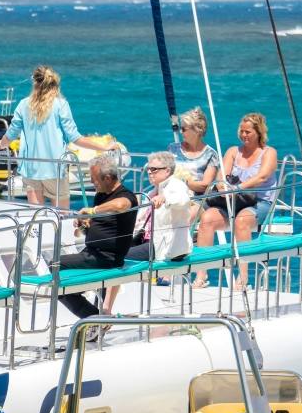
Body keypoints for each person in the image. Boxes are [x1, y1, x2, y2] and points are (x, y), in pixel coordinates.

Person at [0, 65, 106, 207]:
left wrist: (2, 144)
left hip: (31, 167)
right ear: (55, 85)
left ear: (35, 83)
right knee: (62, 215)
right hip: (55, 168)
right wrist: (104, 147)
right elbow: (75, 137)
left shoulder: (23, 105)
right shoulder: (61, 105)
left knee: (36, 215)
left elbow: (11, 134)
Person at [195, 111, 280, 294]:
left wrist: (239, 187)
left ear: (258, 132)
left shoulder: (269, 152)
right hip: (232, 201)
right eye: (241, 131)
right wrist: (223, 187)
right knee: (207, 219)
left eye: (248, 132)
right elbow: (221, 175)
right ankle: (201, 274)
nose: (244, 135)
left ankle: (243, 277)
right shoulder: (234, 151)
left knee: (241, 221)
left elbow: (262, 176)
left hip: (258, 201)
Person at [103, 151, 197, 315]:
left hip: (165, 245)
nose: (150, 172)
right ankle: (102, 308)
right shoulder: (154, 191)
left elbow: (183, 199)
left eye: (154, 169)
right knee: (108, 251)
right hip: (148, 240)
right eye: (148, 169)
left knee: (117, 259)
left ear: (167, 170)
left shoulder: (175, 186)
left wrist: (166, 199)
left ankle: (105, 311)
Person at [50, 155, 138, 321]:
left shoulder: (126, 195)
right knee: (58, 276)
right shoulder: (101, 195)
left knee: (55, 266)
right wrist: (84, 224)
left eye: (94, 179)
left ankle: (95, 319)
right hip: (92, 252)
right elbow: (99, 226)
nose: (92, 183)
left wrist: (92, 210)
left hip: (108, 257)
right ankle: (96, 318)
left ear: (107, 178)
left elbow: (121, 205)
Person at [170, 106, 219, 199]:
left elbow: (205, 186)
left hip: (195, 200)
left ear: (197, 130)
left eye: (184, 129)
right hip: (170, 195)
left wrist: (182, 181)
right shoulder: (173, 148)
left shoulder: (210, 154)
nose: (180, 132)